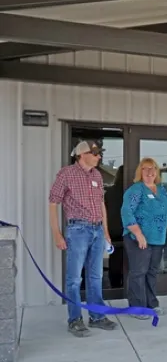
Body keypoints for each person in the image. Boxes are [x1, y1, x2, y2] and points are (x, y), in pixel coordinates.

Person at [49, 140, 117, 337]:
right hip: (78, 230)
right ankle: (75, 319)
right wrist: (56, 233)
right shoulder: (66, 173)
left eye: (99, 153)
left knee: (96, 276)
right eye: (95, 153)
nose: (99, 156)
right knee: (74, 279)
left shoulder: (97, 175)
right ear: (82, 155)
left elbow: (101, 204)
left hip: (97, 230)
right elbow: (53, 203)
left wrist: (105, 231)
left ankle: (96, 317)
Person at [121, 157, 167, 319]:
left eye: (152, 169)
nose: (149, 172)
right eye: (145, 169)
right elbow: (126, 212)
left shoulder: (160, 190)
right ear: (140, 172)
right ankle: (137, 307)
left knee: (152, 272)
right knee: (139, 272)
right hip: (138, 238)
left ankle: (151, 303)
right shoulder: (136, 190)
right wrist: (138, 234)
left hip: (158, 239)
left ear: (157, 172)